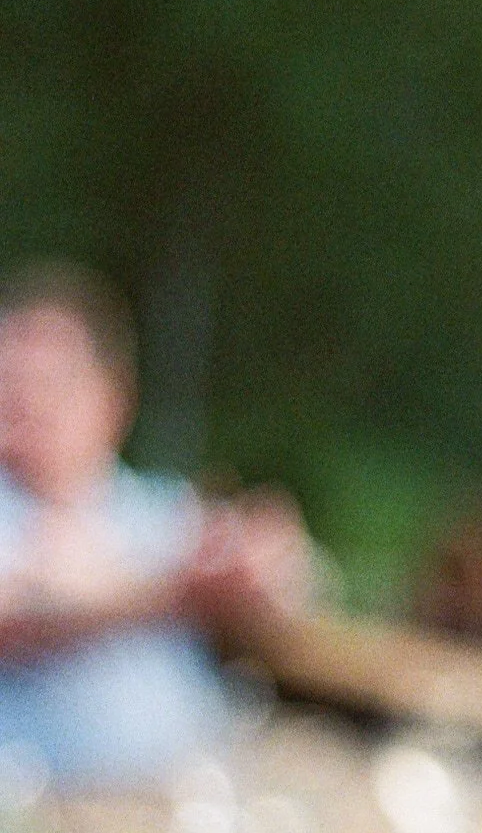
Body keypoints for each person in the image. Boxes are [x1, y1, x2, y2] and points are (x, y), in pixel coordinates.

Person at [0, 262, 312, 785]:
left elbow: (292, 590)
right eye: (10, 382)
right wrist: (177, 591)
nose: (26, 404)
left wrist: (267, 562)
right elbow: (15, 617)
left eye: (49, 384)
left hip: (185, 803)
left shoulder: (163, 510)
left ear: (113, 396)